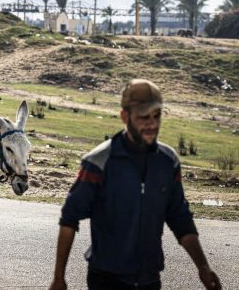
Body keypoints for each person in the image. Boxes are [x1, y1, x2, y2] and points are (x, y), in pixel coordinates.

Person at [48, 79, 221, 290]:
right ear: (124, 116)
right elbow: (69, 219)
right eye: (143, 117)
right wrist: (59, 278)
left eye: (156, 116)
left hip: (150, 280)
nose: (151, 124)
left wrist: (203, 267)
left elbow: (180, 219)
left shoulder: (168, 162)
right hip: (106, 280)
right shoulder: (98, 162)